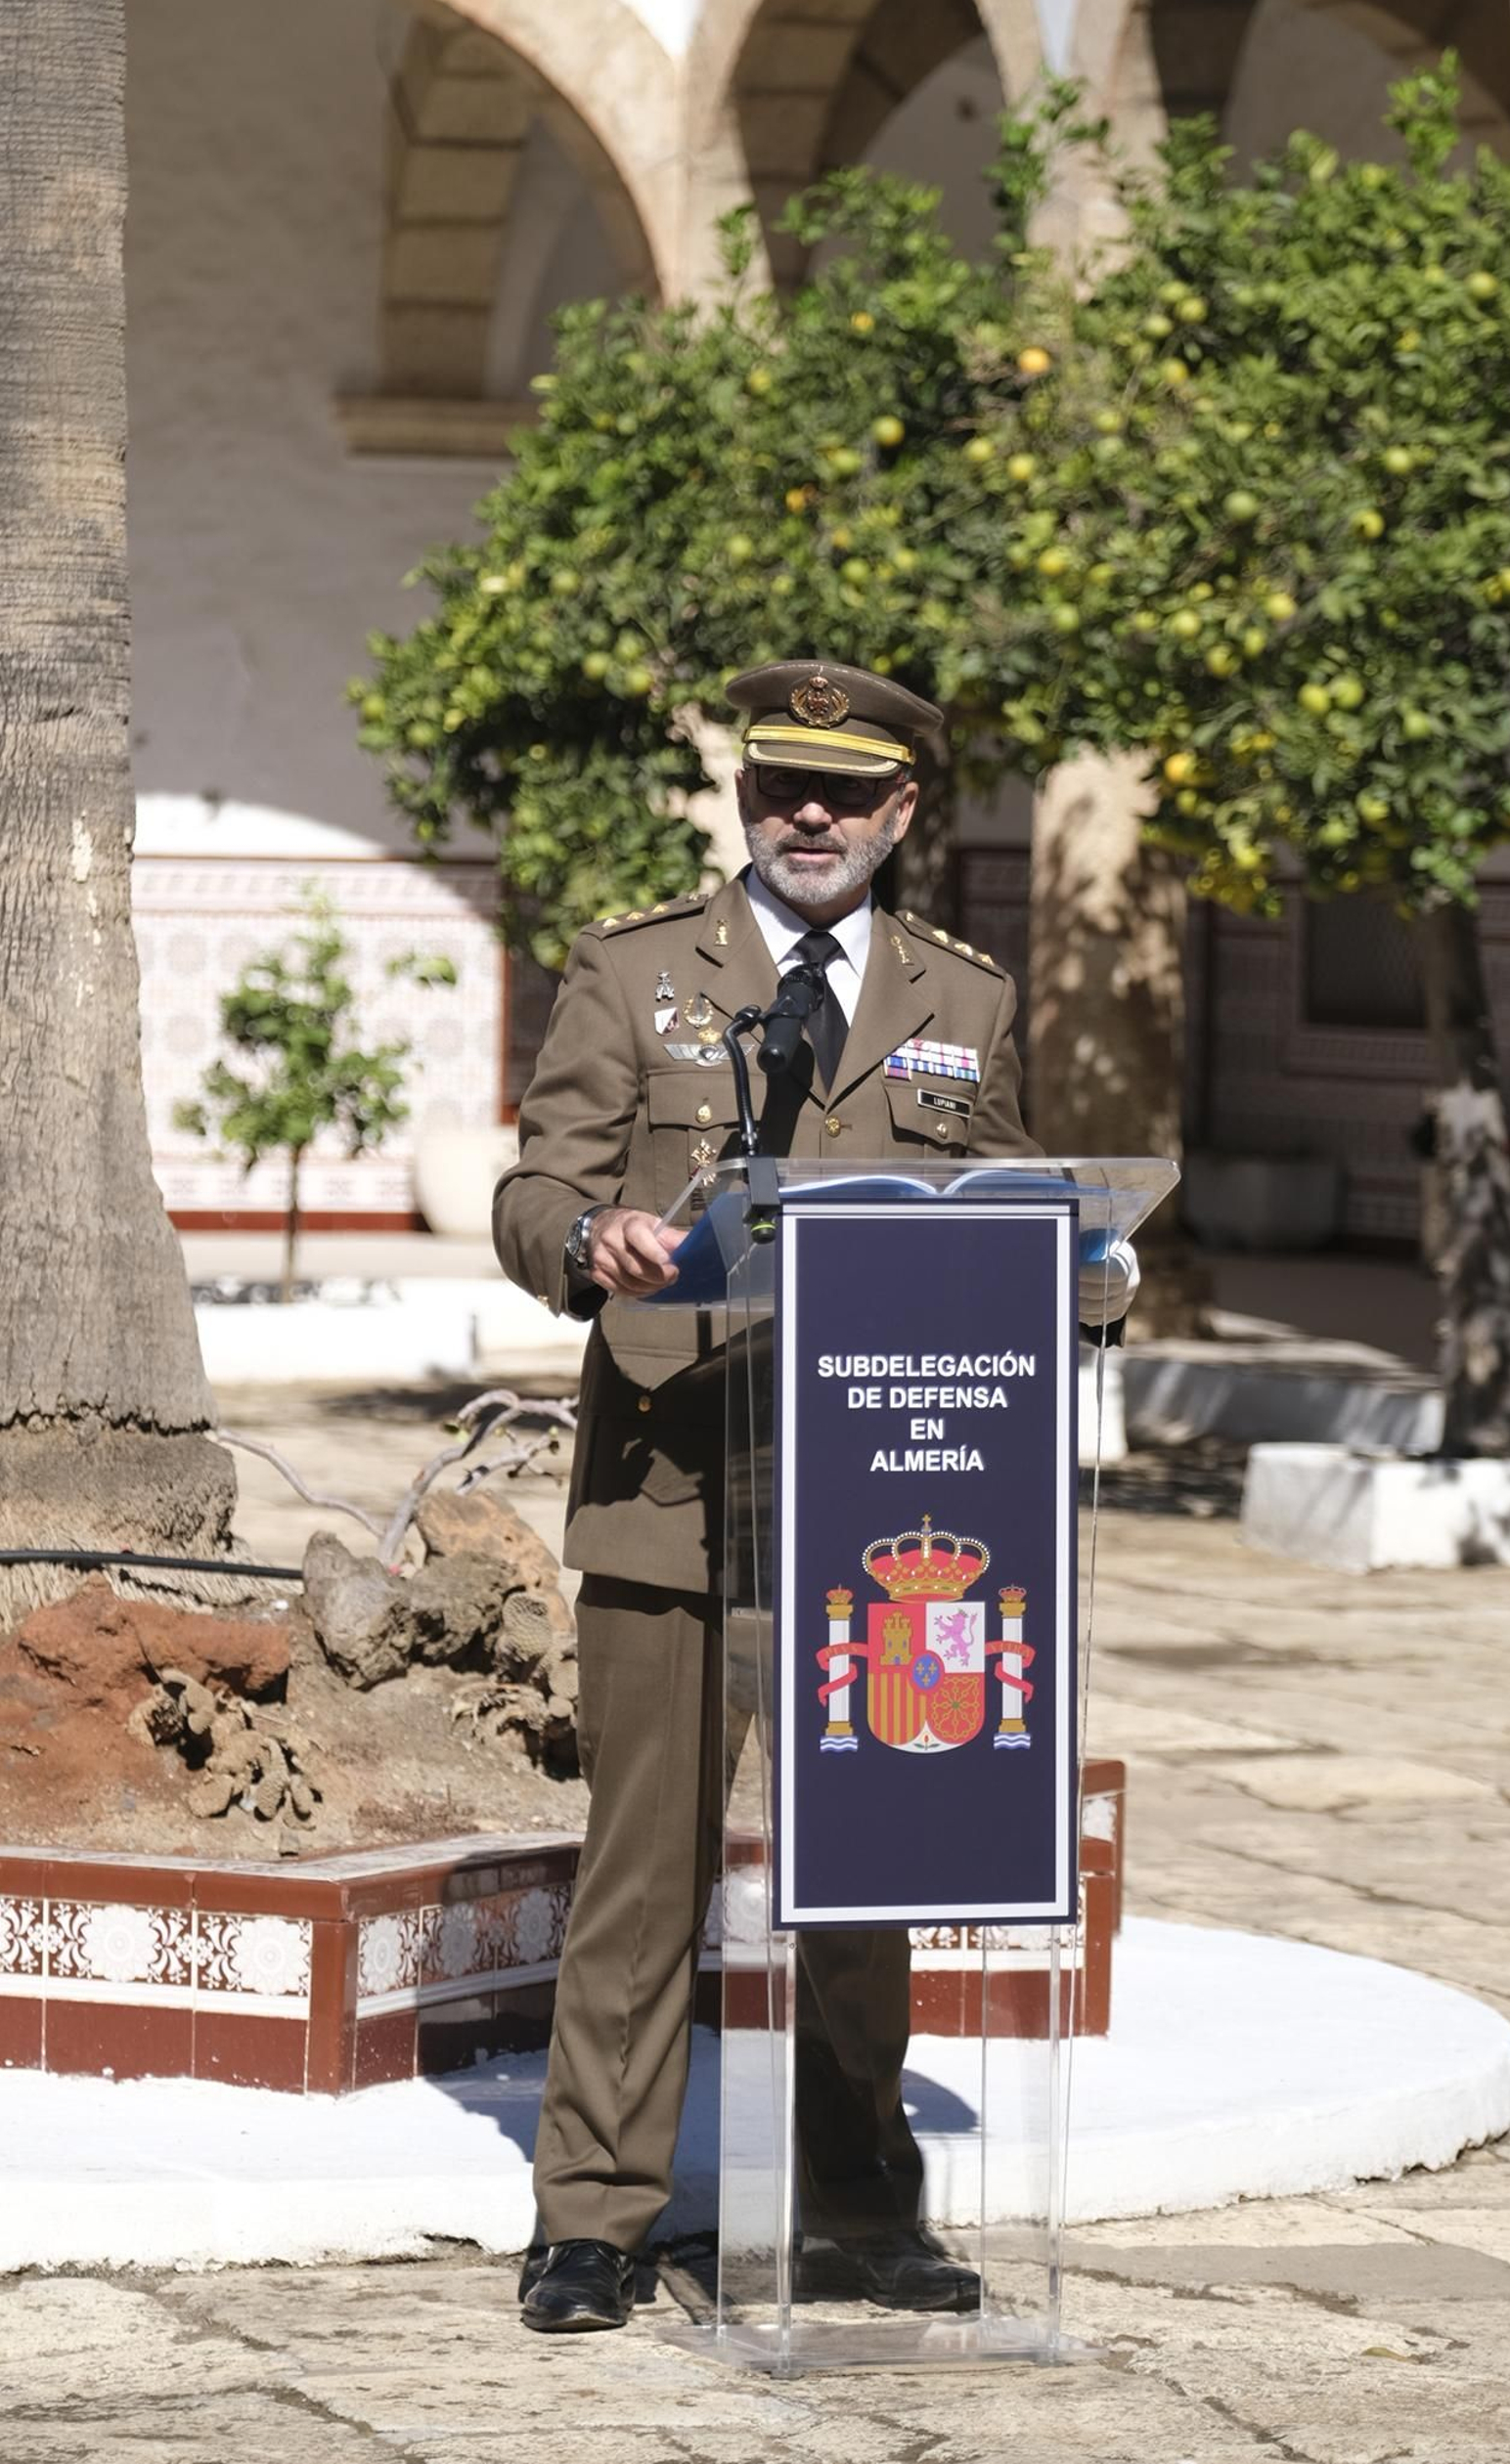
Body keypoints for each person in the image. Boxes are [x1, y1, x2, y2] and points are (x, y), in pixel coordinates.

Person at [493, 658, 1131, 2335]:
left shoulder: (964, 996)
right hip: (670, 1481)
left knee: (872, 1867)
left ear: (904, 810)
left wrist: (1082, 1263)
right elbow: (536, 1180)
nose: (813, 814)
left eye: (848, 791)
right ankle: (593, 2218)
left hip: (875, 1507)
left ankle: (856, 2196)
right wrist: (586, 1237)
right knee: (645, 1869)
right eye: (786, 783)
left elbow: (1003, 1189)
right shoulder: (640, 972)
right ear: (750, 795)